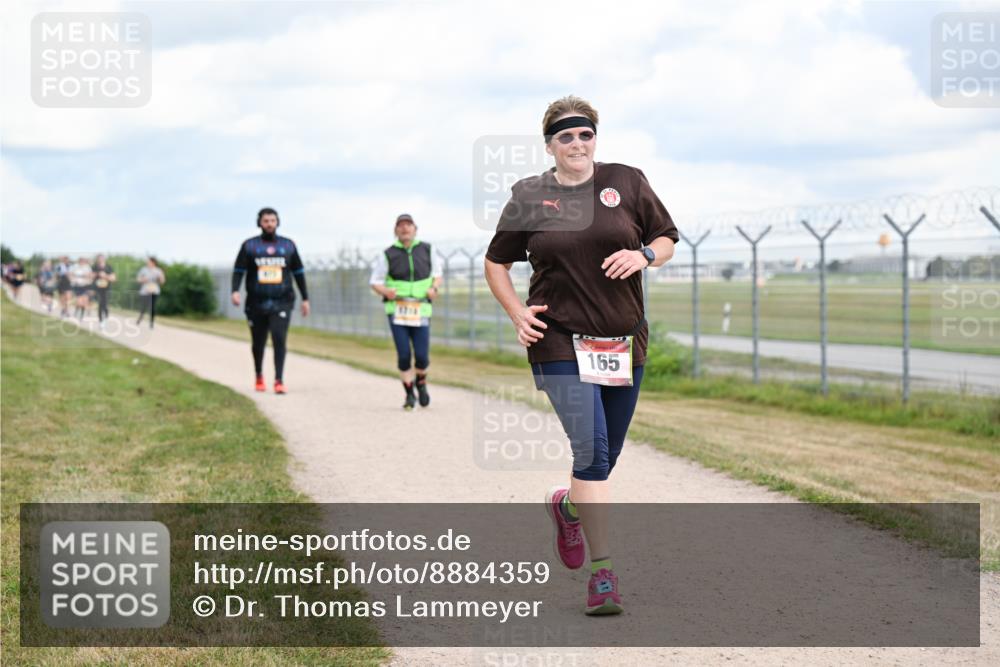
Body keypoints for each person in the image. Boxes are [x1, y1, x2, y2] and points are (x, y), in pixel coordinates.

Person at [484, 95, 678, 615]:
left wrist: (642, 255)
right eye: (565, 136)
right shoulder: (529, 195)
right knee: (591, 453)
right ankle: (604, 576)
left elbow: (666, 239)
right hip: (557, 341)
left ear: (596, 138)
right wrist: (516, 314)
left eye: (585, 134)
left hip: (621, 342)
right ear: (550, 145)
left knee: (603, 459)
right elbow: (496, 262)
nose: (577, 143)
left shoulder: (627, 181)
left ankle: (567, 507)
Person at [231, 207, 310, 394]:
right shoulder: (250, 246)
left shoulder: (288, 246)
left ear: (277, 222)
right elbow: (239, 271)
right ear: (259, 223)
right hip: (256, 302)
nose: (269, 224)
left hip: (282, 301)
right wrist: (235, 290)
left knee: (279, 339)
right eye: (266, 221)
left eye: (272, 220)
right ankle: (259, 375)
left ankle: (279, 380)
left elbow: (298, 273)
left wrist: (305, 298)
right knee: (258, 342)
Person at [369, 214, 443, 410]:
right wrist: (386, 291)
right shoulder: (388, 254)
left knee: (421, 356)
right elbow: (375, 281)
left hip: (421, 309)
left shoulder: (427, 249)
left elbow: (437, 275)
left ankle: (421, 382)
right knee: (403, 355)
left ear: (415, 229)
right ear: (395, 231)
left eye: (408, 225)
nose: (404, 229)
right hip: (397, 310)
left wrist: (433, 289)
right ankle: (409, 393)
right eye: (400, 226)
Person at [136, 257, 165, 328]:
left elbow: (162, 281)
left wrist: (160, 278)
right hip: (145, 291)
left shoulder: (158, 270)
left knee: (152, 307)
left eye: (149, 262)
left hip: (154, 291)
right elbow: (138, 279)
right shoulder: (143, 270)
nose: (147, 263)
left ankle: (151, 323)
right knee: (144, 307)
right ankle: (140, 318)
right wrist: (143, 279)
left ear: (153, 262)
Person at [92, 255, 116, 328]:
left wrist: (105, 276)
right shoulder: (94, 267)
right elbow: (90, 276)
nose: (100, 260)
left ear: (104, 259)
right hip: (97, 288)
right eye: (99, 258)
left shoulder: (109, 267)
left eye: (102, 258)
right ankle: (101, 321)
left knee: (105, 304)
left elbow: (114, 279)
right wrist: (97, 274)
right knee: (100, 304)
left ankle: (105, 316)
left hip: (106, 288)